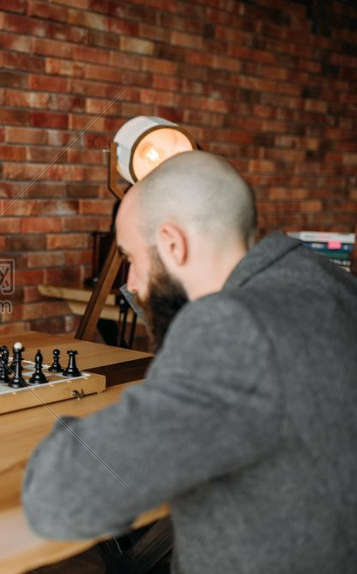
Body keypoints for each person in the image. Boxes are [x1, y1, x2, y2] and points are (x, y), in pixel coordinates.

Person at [22, 151, 357, 573]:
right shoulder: (332, 284)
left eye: (129, 257)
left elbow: (60, 497)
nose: (131, 283)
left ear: (173, 244)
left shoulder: (232, 327)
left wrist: (80, 431)